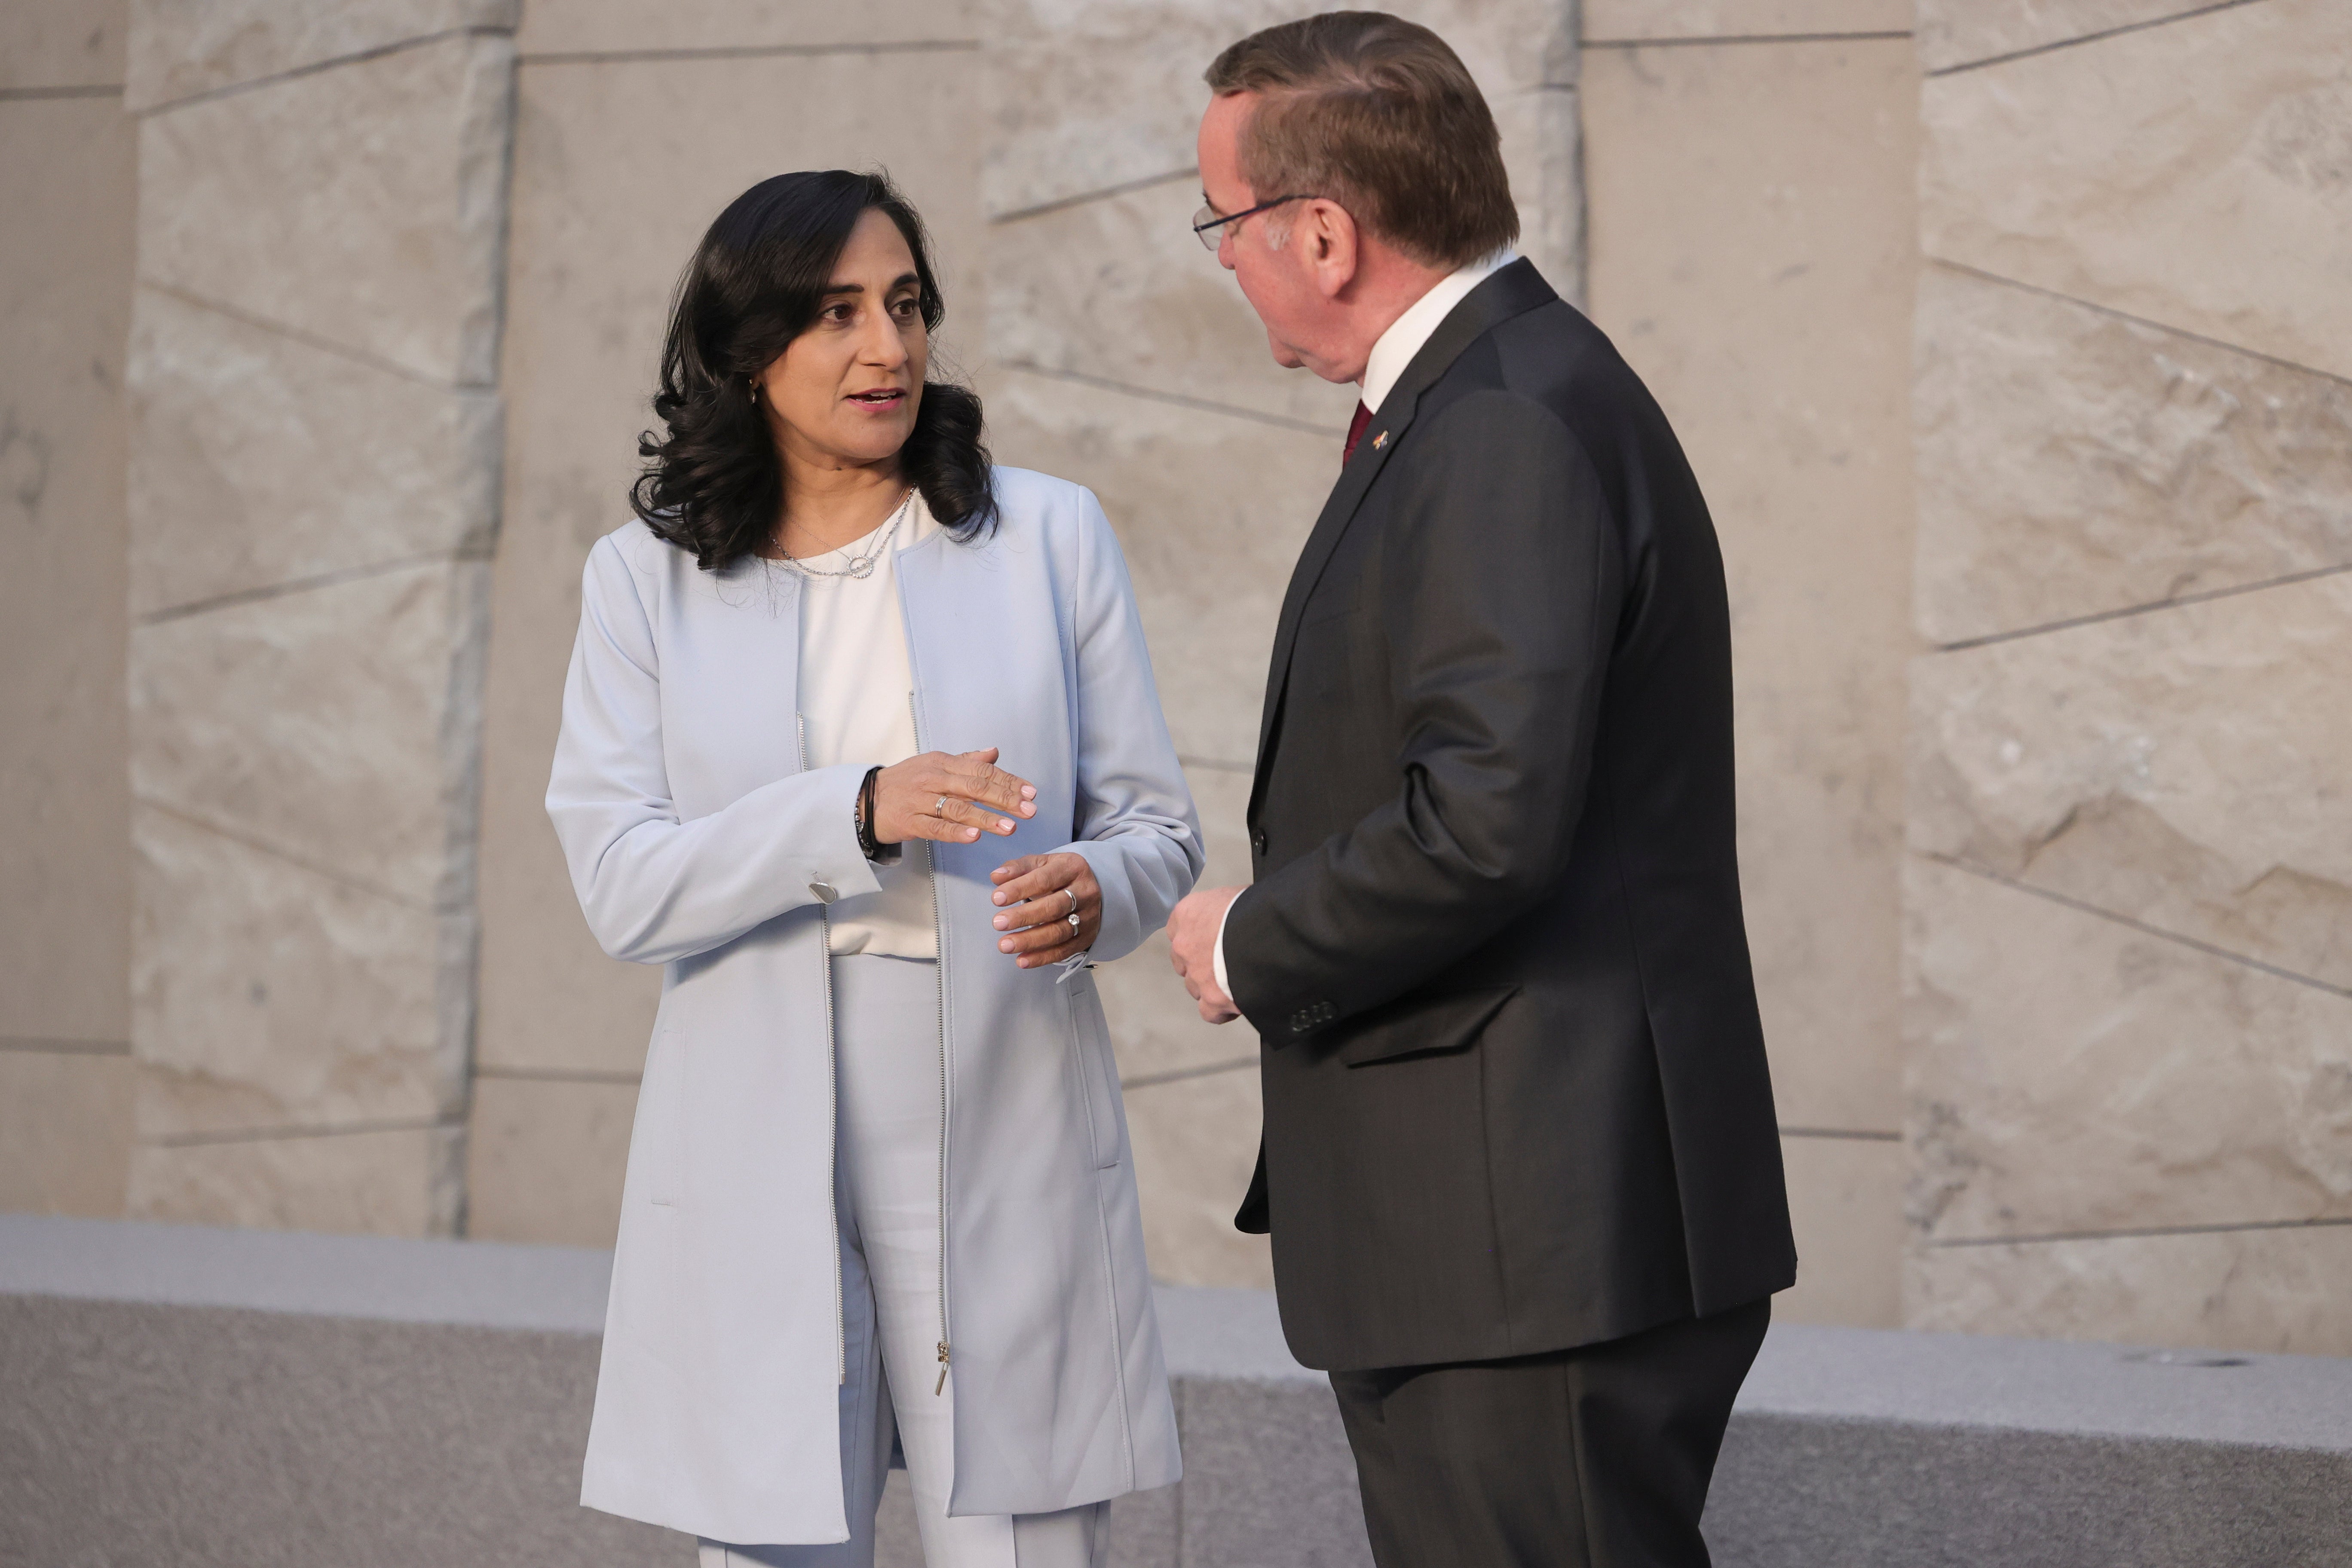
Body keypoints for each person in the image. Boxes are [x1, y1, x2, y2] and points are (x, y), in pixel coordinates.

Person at [1163, 15, 1798, 1567]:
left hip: (1530, 1250)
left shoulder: (1501, 420)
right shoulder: (1490, 394)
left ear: (1322, 231)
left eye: (1223, 224)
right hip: (1510, 1242)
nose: (1222, 261)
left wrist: (1252, 941)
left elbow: (1483, 823)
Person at [548, 170, 1200, 1568]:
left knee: (1021, 1537)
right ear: (747, 350)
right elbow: (620, 880)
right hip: (752, 1091)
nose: (888, 349)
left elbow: (1157, 833)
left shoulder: (1047, 538)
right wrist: (855, 812)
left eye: (905, 307)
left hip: (995, 1080)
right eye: (837, 313)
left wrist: (1099, 889)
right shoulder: (643, 580)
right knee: (772, 1529)